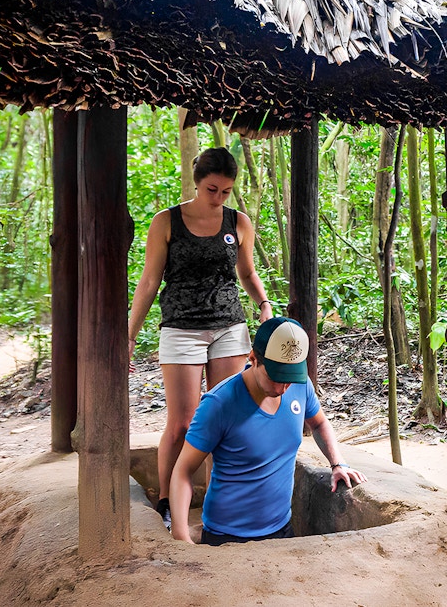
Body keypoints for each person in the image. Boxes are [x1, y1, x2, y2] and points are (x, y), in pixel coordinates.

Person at [128, 147, 273, 530]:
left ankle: (218, 501)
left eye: (226, 191)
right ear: (197, 182)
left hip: (229, 327)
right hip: (180, 328)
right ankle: (165, 500)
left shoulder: (238, 222)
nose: (219, 198)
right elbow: (148, 281)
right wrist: (130, 335)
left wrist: (263, 303)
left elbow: (247, 274)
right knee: (183, 423)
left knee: (225, 417)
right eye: (212, 189)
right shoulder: (166, 222)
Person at [169, 316, 368, 545]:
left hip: (282, 529)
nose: (284, 387)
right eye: (276, 376)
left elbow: (319, 423)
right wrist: (180, 534)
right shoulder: (219, 404)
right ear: (253, 358)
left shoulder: (301, 386)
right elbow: (183, 470)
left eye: (290, 378)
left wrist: (337, 463)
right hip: (227, 537)